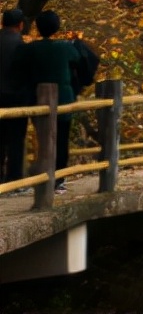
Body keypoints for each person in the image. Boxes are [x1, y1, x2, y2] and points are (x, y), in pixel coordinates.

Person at [14, 10, 84, 193]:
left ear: (38, 27)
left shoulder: (30, 49)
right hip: (64, 99)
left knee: (44, 139)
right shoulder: (66, 47)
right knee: (62, 140)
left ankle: (44, 176)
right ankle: (58, 179)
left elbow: (18, 65)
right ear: (57, 27)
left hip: (38, 99)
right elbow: (78, 61)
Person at [0, 8, 27, 184]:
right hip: (17, 98)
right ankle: (15, 179)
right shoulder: (21, 45)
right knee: (16, 140)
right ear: (20, 24)